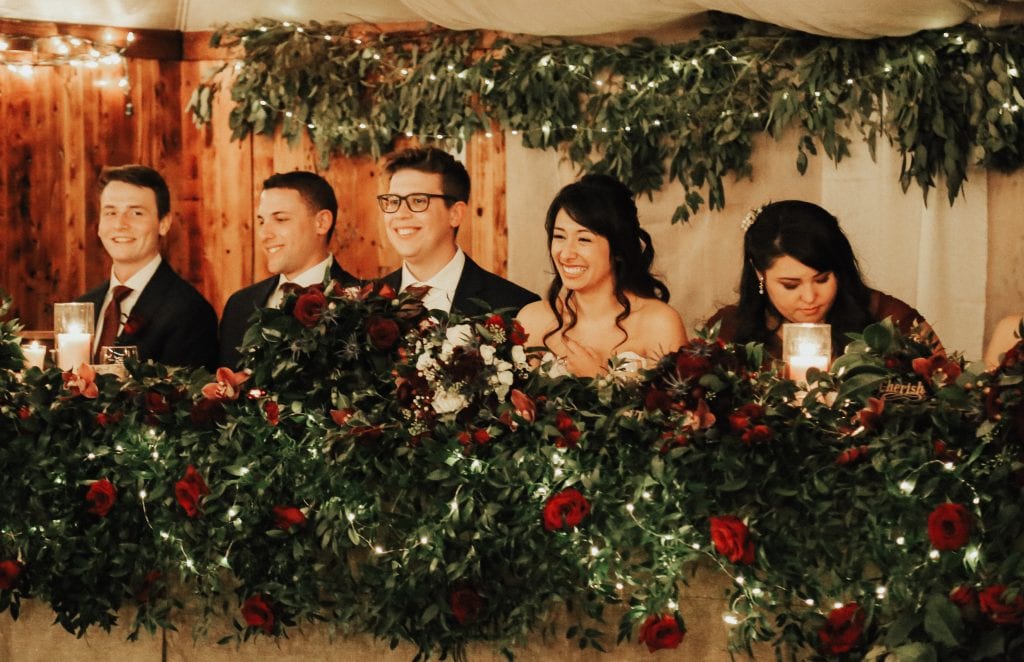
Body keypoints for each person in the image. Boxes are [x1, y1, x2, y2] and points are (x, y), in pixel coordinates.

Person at [706, 200, 940, 359]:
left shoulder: (890, 319)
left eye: (822, 279)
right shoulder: (728, 331)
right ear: (759, 272)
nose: (809, 298)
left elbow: (947, 396)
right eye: (790, 285)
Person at [516, 174, 687, 377]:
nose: (567, 253)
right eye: (559, 236)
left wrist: (598, 377)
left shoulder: (659, 324)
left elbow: (674, 406)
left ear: (618, 249)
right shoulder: (533, 320)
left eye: (584, 239)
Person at [77, 164, 218, 369]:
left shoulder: (189, 312)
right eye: (110, 212)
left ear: (164, 223)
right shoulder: (84, 307)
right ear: (98, 225)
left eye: (136, 213)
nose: (120, 224)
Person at [219, 171, 358, 368]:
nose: (264, 234)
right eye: (261, 221)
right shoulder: (239, 305)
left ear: (321, 222)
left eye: (281, 219)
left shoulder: (361, 305)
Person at [377, 147, 538, 316]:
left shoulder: (516, 307)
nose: (401, 214)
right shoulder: (364, 303)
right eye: (394, 201)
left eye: (418, 201)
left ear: (455, 214)